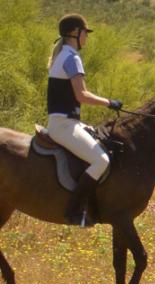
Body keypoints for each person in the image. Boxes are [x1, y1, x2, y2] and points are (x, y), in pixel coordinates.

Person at [46, 14, 122, 227]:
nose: (86, 38)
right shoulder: (71, 57)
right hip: (63, 125)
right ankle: (74, 211)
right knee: (101, 161)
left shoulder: (62, 54)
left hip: (66, 122)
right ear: (75, 33)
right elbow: (82, 96)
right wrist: (110, 102)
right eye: (85, 33)